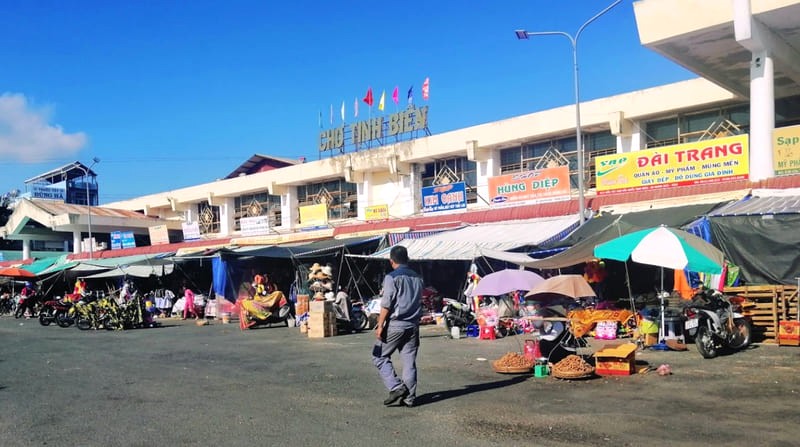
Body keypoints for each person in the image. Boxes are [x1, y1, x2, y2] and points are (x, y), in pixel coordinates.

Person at [372, 245, 423, 408]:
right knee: (409, 362)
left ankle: (396, 387)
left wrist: (380, 325)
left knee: (379, 356)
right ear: (407, 259)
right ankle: (410, 398)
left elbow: (386, 304)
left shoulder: (391, 277)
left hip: (396, 325)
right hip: (413, 325)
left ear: (391, 261)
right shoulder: (417, 277)